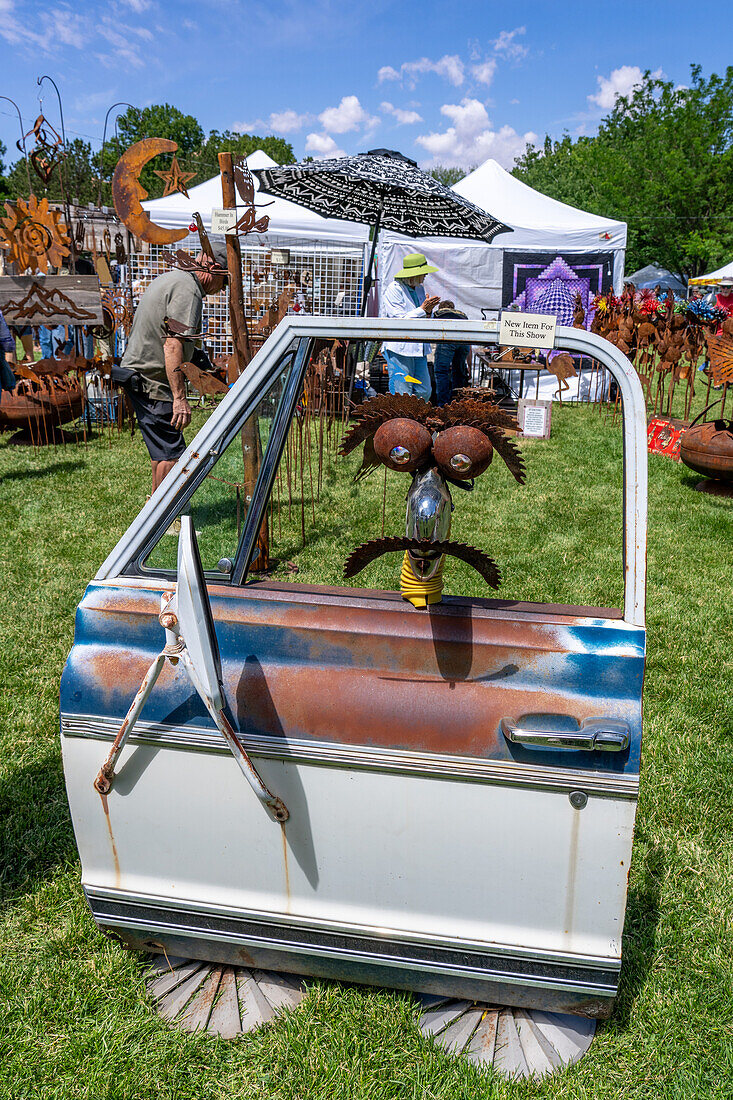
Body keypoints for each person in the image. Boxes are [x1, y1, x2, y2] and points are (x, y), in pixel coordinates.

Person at [117, 241, 228, 492]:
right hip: (152, 381)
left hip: (141, 375)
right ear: (214, 269)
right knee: (172, 454)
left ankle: (155, 513)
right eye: (224, 282)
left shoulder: (176, 278)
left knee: (163, 451)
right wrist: (179, 398)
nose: (222, 289)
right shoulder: (189, 290)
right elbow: (172, 345)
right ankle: (163, 520)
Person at [381, 252, 440, 398]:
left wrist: (428, 312)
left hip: (418, 346)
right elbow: (399, 319)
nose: (425, 275)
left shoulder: (419, 288)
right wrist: (422, 310)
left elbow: (422, 315)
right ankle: (401, 421)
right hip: (399, 348)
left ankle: (414, 421)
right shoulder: (394, 289)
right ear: (414, 274)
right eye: (423, 272)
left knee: (424, 391)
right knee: (402, 392)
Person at [432, 300, 470, 405]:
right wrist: (469, 366)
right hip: (463, 342)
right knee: (459, 372)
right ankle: (457, 402)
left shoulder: (438, 314)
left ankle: (443, 405)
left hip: (447, 340)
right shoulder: (462, 315)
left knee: (441, 372)